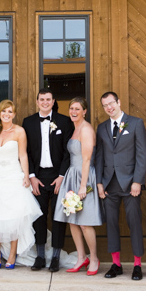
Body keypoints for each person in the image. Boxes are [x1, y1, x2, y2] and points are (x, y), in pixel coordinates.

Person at [0, 100, 42, 269]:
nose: (7, 114)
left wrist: (26, 176)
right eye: (4, 111)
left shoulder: (19, 131)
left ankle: (13, 254)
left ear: (14, 114)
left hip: (14, 177)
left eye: (10, 112)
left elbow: (23, 156)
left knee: (15, 217)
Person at [95, 91, 146, 280]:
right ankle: (116, 264)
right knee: (111, 224)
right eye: (105, 105)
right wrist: (99, 182)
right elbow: (99, 156)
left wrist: (137, 181)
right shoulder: (101, 128)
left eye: (111, 103)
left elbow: (142, 154)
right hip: (109, 183)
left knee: (134, 223)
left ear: (119, 102)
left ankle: (137, 265)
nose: (109, 107)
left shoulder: (136, 123)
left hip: (130, 183)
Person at [22, 88, 73, 272]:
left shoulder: (64, 122)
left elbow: (68, 152)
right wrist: (32, 176)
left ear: (53, 102)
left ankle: (56, 256)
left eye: (48, 99)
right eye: (41, 99)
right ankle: (40, 255)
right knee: (39, 217)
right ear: (37, 102)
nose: (45, 102)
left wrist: (62, 176)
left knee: (59, 217)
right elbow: (26, 152)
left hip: (59, 176)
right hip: (38, 176)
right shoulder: (28, 122)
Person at [53, 97, 102, 276]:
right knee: (72, 220)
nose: (73, 112)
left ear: (84, 111)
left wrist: (83, 186)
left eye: (77, 109)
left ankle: (94, 257)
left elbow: (87, 159)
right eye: (71, 108)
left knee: (85, 222)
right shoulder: (75, 129)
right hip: (71, 176)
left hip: (84, 177)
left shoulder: (87, 130)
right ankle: (81, 257)